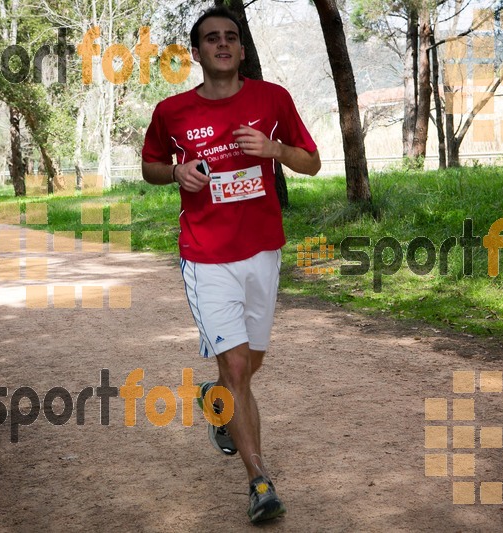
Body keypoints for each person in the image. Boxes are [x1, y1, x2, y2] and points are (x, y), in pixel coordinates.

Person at [141, 6, 320, 524]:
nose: (222, 45)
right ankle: (258, 480)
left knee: (250, 365)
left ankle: (216, 400)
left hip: (263, 249)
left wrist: (274, 148)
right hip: (206, 255)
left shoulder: (272, 99)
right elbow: (150, 166)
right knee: (238, 367)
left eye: (231, 38)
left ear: (242, 50)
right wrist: (176, 172)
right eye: (211, 39)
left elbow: (312, 161)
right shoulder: (171, 111)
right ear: (196, 53)